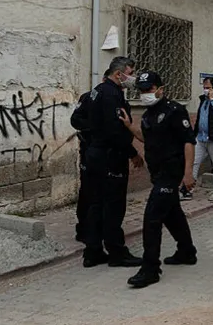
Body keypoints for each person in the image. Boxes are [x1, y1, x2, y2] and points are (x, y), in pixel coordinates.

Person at [119, 71, 198, 288]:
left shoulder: (175, 110)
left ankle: (150, 268)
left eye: (150, 89)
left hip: (171, 173)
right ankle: (187, 251)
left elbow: (188, 142)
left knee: (152, 217)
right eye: (143, 90)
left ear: (161, 89)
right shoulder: (147, 115)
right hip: (158, 173)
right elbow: (147, 138)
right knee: (172, 214)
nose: (146, 94)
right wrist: (129, 126)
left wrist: (188, 173)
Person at [83, 57, 144, 268]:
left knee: (96, 205)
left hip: (95, 154)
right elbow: (115, 131)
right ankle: (117, 252)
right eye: (131, 72)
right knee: (113, 207)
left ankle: (92, 252)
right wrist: (132, 153)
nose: (132, 77)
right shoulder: (111, 95)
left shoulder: (97, 91)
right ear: (119, 74)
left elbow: (84, 120)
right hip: (110, 157)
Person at [70, 85, 96, 243]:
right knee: (87, 191)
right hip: (89, 151)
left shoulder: (116, 98)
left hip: (107, 155)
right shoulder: (88, 98)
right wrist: (94, 127)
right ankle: (84, 229)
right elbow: (75, 120)